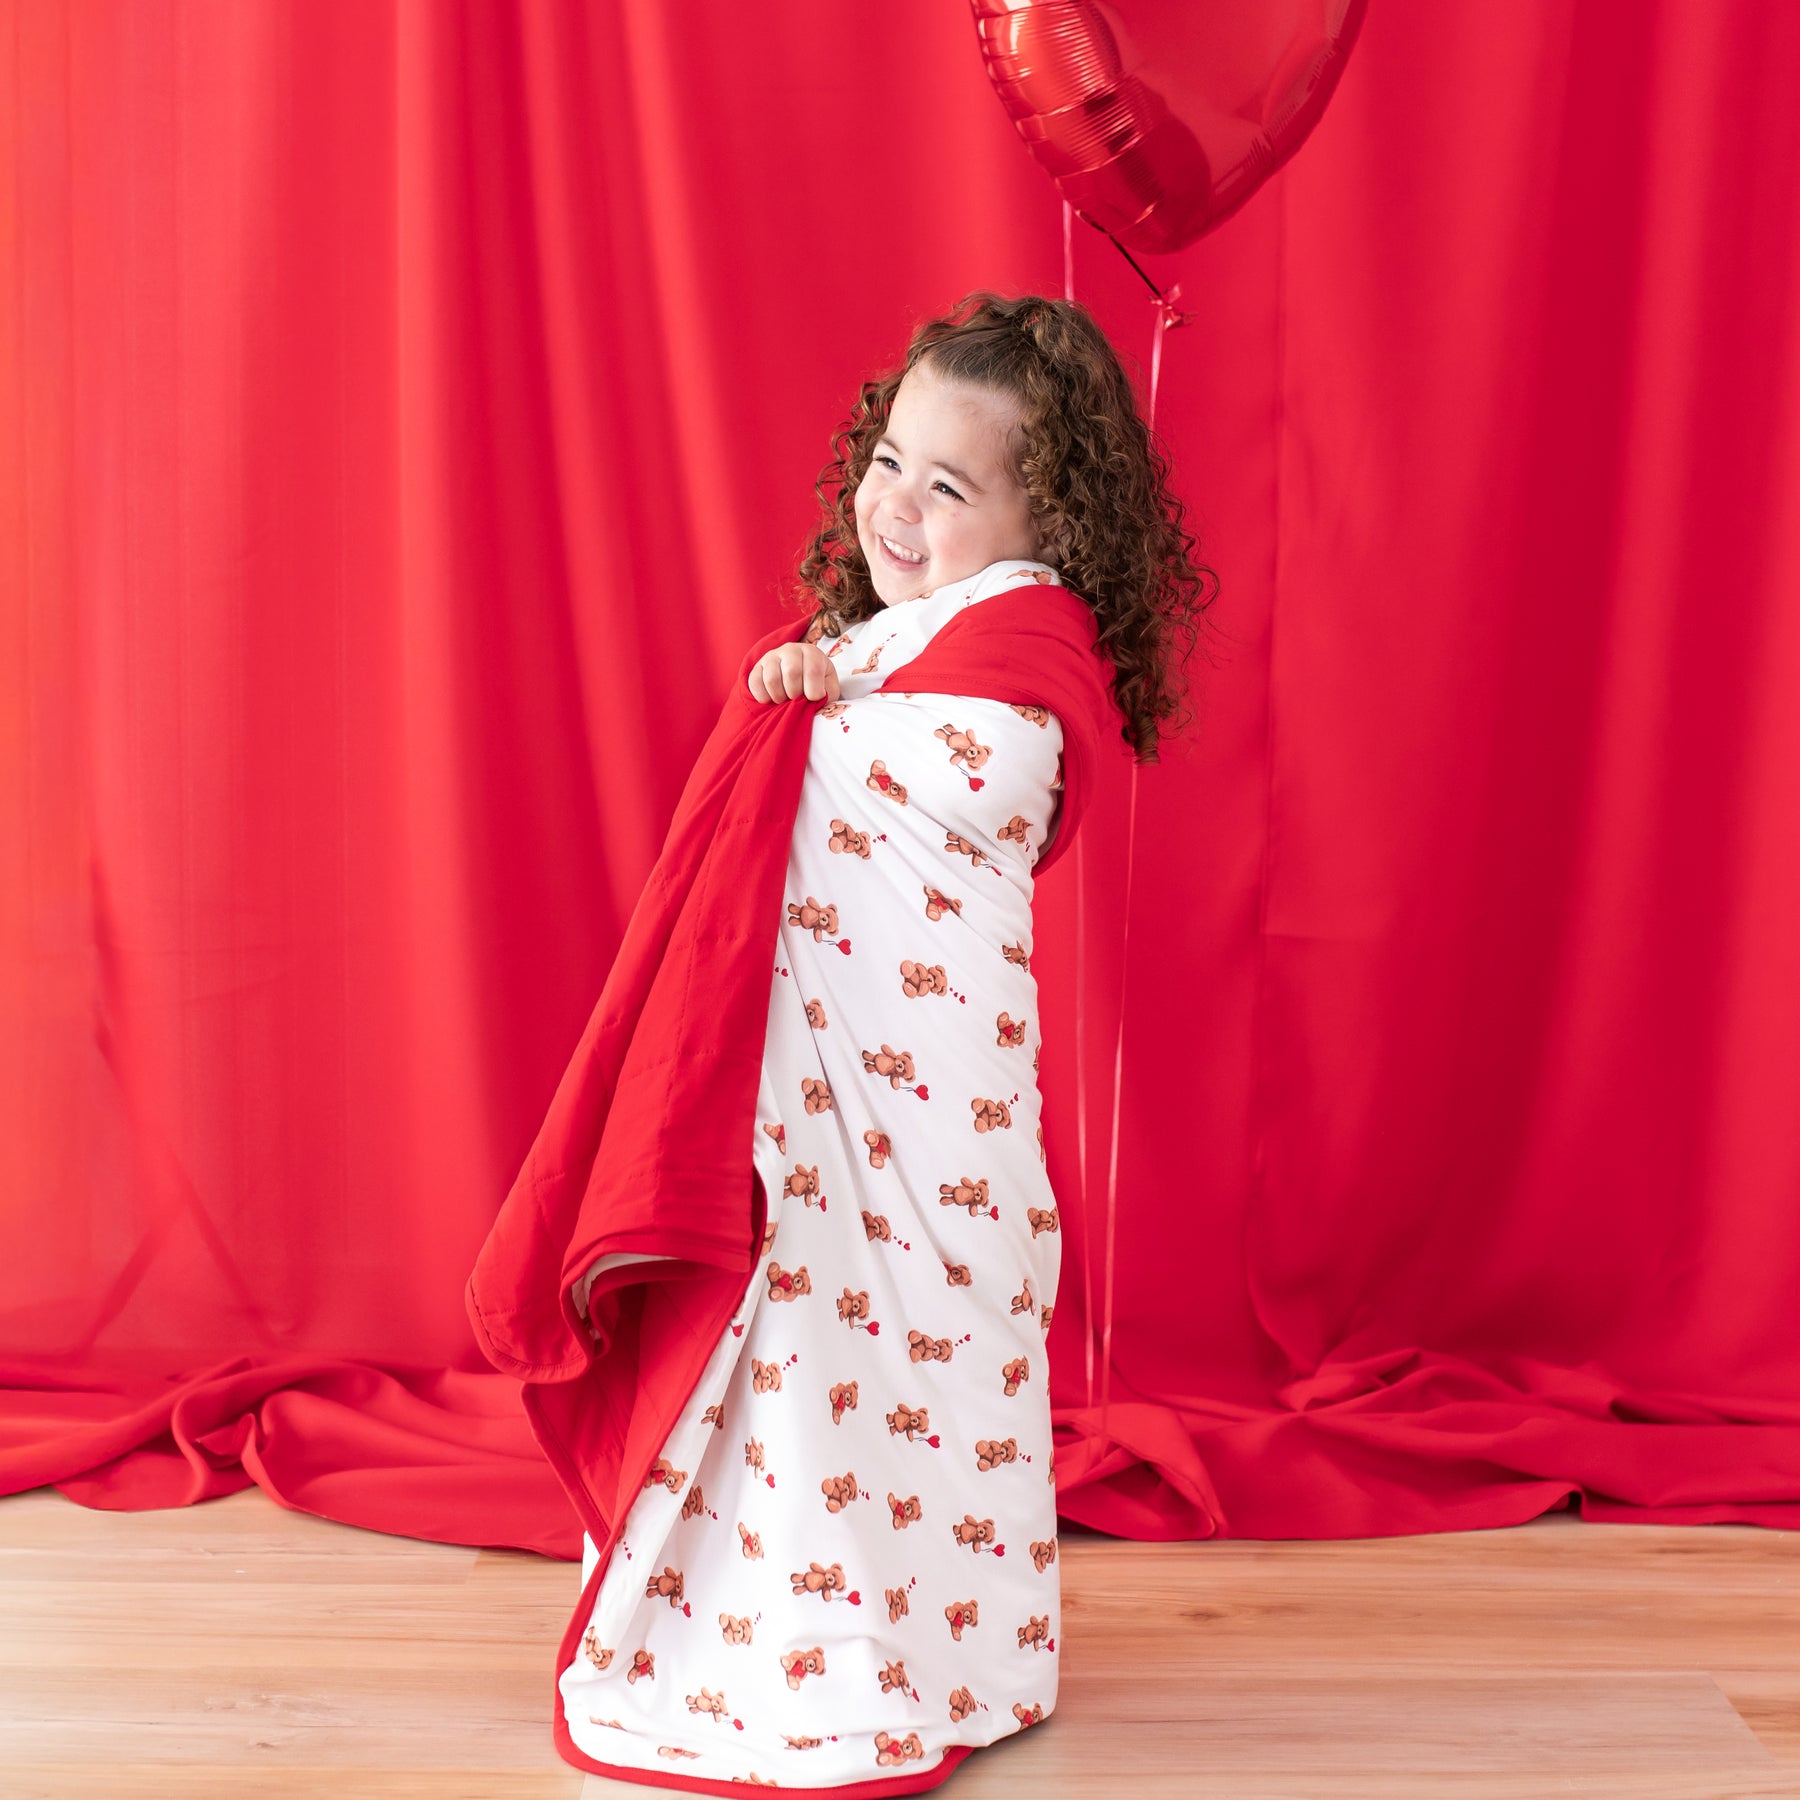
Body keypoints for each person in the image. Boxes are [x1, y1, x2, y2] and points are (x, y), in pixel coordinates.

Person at [553, 292, 1215, 1792]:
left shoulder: (1019, 663)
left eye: (949, 485)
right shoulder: (903, 641)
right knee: (817, 1341)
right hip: (818, 1106)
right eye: (891, 460)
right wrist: (809, 680)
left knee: (911, 1336)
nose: (895, 507)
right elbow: (840, 717)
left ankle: (900, 1659)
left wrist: (815, 704)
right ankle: (845, 1628)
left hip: (924, 1113)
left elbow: (976, 779)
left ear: (1048, 517)